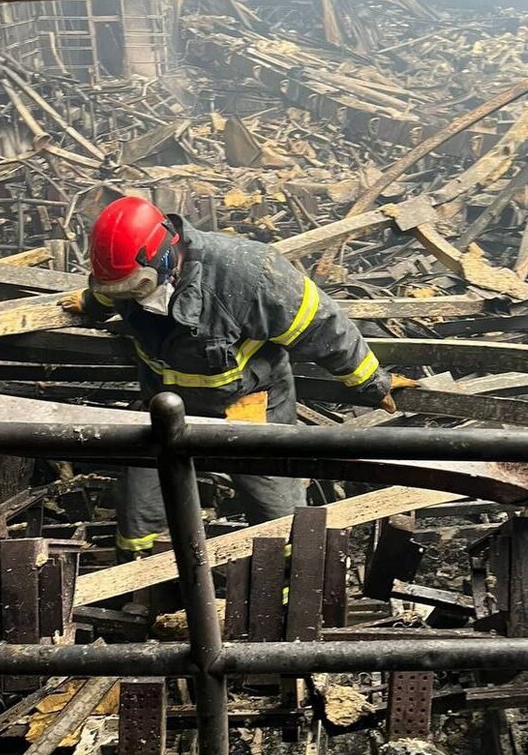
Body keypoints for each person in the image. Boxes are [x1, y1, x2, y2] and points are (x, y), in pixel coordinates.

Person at [61, 196, 411, 557]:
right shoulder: (126, 277)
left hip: (248, 406)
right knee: (138, 515)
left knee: (278, 514)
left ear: (165, 254)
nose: (135, 298)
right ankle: (152, 587)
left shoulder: (249, 274)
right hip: (164, 411)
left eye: (136, 287)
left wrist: (373, 383)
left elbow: (322, 326)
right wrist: (92, 302)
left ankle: (285, 592)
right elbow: (113, 290)